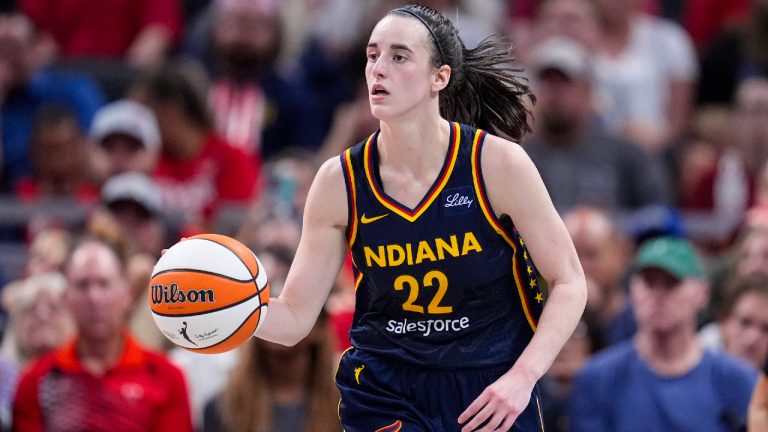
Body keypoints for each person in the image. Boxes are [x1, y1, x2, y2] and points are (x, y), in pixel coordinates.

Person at [252, 4, 587, 431]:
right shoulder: (339, 180)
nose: (378, 69)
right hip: (386, 388)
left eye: (399, 56)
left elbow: (570, 282)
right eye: (372, 55)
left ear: (439, 77)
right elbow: (295, 318)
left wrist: (523, 377)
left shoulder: (497, 164)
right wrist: (233, 312)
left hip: (490, 383)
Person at [569, 236, 758, 432]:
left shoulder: (738, 381)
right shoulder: (596, 379)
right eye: (649, 282)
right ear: (632, 290)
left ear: (702, 294)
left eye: (671, 283)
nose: (657, 294)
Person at [12, 236, 194, 432]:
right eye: (82, 285)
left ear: (127, 294)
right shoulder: (37, 379)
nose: (94, 298)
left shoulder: (166, 376)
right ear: (66, 298)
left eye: (104, 284)